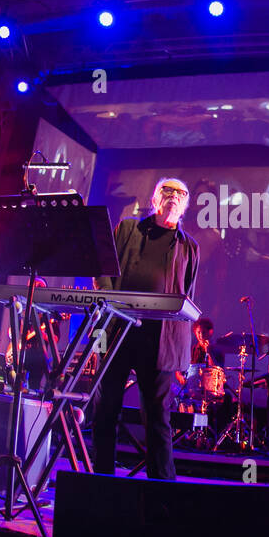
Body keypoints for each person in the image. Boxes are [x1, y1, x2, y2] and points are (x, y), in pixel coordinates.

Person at [91, 177, 199, 479]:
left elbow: (187, 293)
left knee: (157, 418)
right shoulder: (127, 229)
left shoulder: (189, 247)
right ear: (155, 199)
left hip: (161, 340)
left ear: (186, 205)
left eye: (181, 193)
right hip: (119, 331)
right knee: (105, 409)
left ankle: (161, 491)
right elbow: (103, 269)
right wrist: (111, 306)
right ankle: (102, 483)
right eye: (168, 191)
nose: (174, 197)